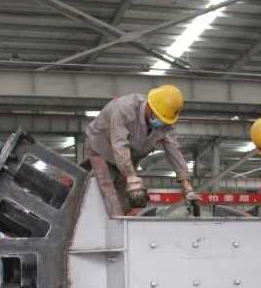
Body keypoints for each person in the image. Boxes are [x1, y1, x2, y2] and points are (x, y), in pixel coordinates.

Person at [84, 84, 197, 213]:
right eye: (158, 117)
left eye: (164, 120)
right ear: (150, 106)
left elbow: (174, 151)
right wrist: (132, 178)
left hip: (128, 159)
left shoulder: (165, 122)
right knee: (101, 198)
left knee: (124, 202)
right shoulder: (124, 109)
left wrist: (187, 187)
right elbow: (120, 145)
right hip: (100, 152)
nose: (161, 123)